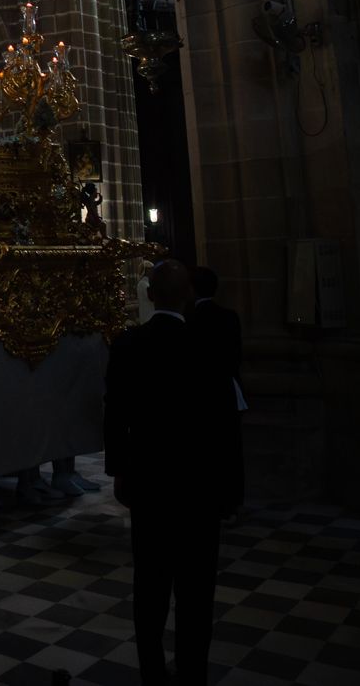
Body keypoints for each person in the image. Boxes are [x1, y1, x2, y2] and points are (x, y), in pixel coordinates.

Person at [106, 260, 233, 685]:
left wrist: (119, 472)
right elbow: (225, 425)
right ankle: (193, 671)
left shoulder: (128, 344)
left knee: (151, 588)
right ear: (188, 297)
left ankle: (152, 674)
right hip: (200, 488)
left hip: (150, 486)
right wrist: (231, 490)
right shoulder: (207, 346)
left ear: (148, 295)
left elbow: (115, 416)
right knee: (197, 593)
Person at [189, 266, 246, 516]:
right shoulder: (230, 317)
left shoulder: (190, 321)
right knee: (230, 448)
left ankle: (208, 501)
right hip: (227, 390)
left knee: (206, 452)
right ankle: (232, 502)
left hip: (200, 396)